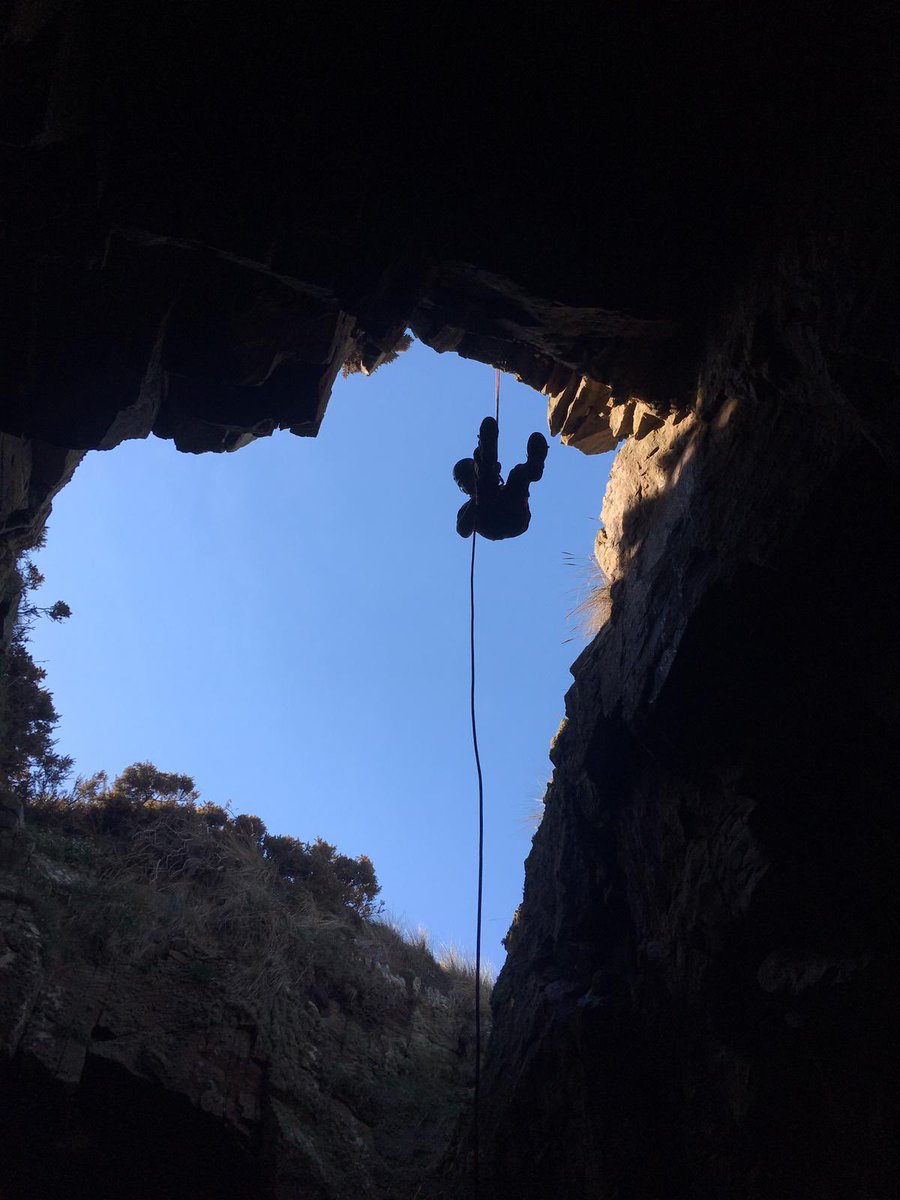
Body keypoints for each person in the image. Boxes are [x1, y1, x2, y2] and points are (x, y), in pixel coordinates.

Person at [453, 417, 548, 540]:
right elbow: (463, 531)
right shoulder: (467, 508)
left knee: (516, 475)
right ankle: (487, 460)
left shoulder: (493, 491)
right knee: (487, 482)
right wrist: (476, 500)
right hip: (500, 521)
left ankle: (532, 468)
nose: (470, 480)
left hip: (512, 514)